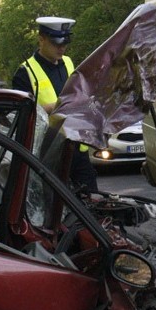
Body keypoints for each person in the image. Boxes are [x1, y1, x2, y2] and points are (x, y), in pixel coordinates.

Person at [12, 16, 98, 192]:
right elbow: (19, 116)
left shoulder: (67, 62)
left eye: (65, 42)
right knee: (56, 206)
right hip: (50, 154)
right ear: (41, 39)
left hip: (76, 148)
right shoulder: (25, 72)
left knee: (91, 199)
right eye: (56, 43)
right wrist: (49, 108)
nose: (62, 47)